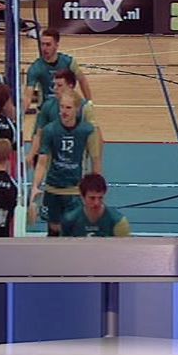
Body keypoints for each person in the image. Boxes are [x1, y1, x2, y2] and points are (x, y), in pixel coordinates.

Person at [30, 91, 103, 236]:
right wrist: (35, 186)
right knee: (53, 231)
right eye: (62, 107)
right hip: (53, 189)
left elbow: (96, 162)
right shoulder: (50, 130)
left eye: (68, 108)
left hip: (75, 191)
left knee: (74, 232)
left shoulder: (87, 131)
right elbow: (42, 162)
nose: (64, 111)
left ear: (77, 109)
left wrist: (96, 192)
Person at [25, 68, 98, 168]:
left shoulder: (84, 107)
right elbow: (39, 133)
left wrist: (96, 166)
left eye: (59, 85)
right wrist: (31, 154)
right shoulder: (48, 106)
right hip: (53, 164)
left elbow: (94, 136)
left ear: (70, 86)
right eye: (54, 85)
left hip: (76, 163)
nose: (55, 88)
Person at [25, 28, 93, 112]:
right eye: (42, 44)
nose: (44, 48)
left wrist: (89, 102)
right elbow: (28, 96)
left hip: (67, 108)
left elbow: (82, 80)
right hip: (46, 110)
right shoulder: (35, 68)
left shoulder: (69, 62)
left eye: (48, 44)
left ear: (56, 46)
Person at [61, 173, 130, 237]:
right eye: (92, 198)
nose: (96, 203)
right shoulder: (69, 220)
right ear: (82, 197)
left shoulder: (118, 221)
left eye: (100, 198)